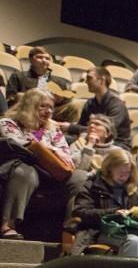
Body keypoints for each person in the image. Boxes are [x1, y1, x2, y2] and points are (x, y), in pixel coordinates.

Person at [0, 88, 88, 239]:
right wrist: (52, 149)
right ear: (29, 105)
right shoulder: (9, 123)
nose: (48, 112)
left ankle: (70, 231)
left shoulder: (51, 130)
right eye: (43, 106)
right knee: (25, 172)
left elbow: (66, 155)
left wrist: (53, 151)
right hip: (21, 167)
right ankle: (8, 225)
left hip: (50, 174)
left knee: (81, 177)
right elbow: (21, 145)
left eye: (51, 108)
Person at [61, 67, 131, 148]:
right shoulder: (90, 103)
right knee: (60, 139)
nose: (86, 82)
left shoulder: (117, 105)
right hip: (92, 138)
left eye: (89, 78)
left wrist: (71, 127)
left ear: (101, 80)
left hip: (116, 144)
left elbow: (105, 131)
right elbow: (81, 126)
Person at [4, 47, 78, 121]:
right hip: (26, 112)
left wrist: (60, 100)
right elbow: (11, 98)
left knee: (75, 104)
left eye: (47, 58)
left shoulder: (59, 82)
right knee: (20, 96)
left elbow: (66, 101)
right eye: (39, 57)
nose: (44, 61)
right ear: (31, 60)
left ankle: (67, 129)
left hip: (51, 111)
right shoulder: (18, 76)